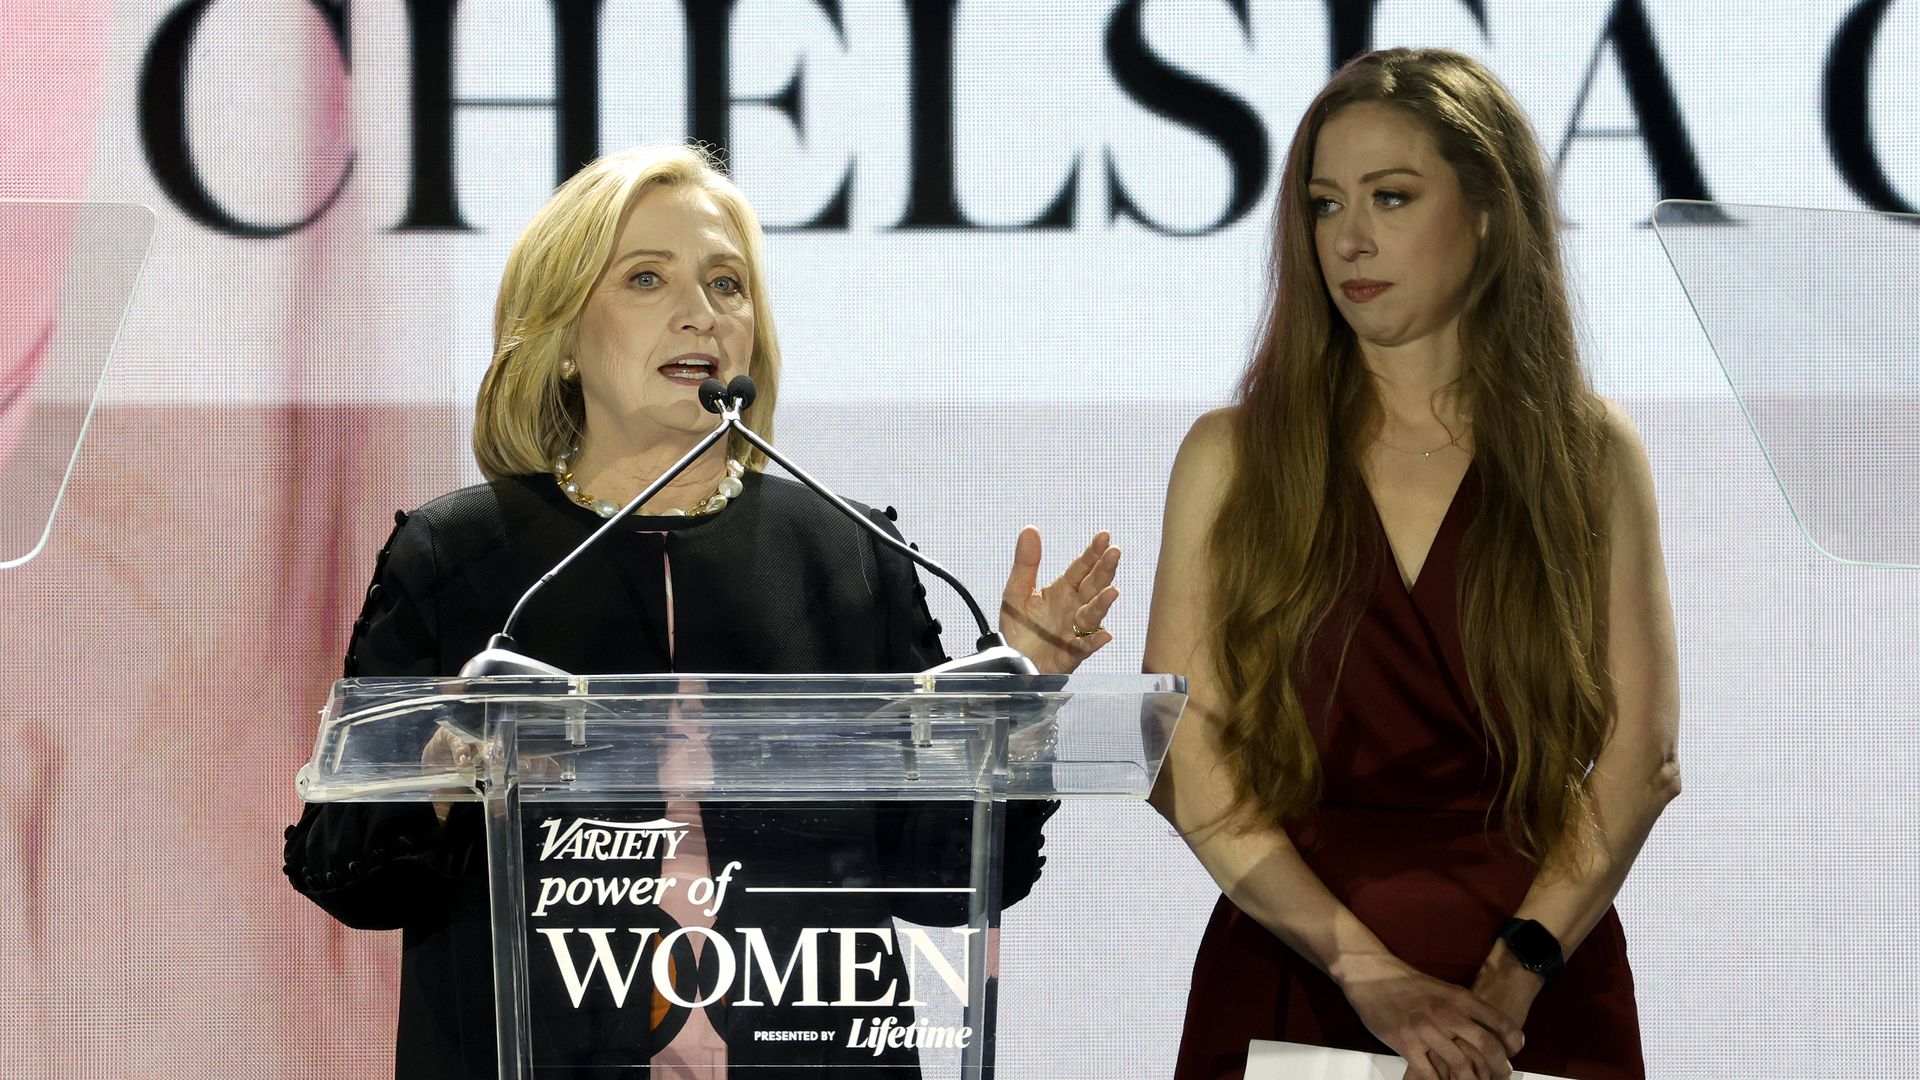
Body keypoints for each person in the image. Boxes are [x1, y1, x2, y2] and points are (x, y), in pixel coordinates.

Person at [282, 144, 1121, 1079]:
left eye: (728, 284)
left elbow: (949, 882)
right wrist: (438, 781)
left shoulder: (849, 554)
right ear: (560, 336)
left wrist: (1016, 712)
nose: (702, 313)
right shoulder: (461, 558)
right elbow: (341, 871)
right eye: (647, 278)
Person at [1145, 49, 1680, 1080]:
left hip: (1534, 982)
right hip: (1295, 968)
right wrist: (1363, 967)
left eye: (1390, 197)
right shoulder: (1233, 455)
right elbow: (1182, 752)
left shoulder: (1590, 453)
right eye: (1324, 203)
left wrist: (1514, 977)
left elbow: (1641, 759)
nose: (1349, 238)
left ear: (1488, 214)